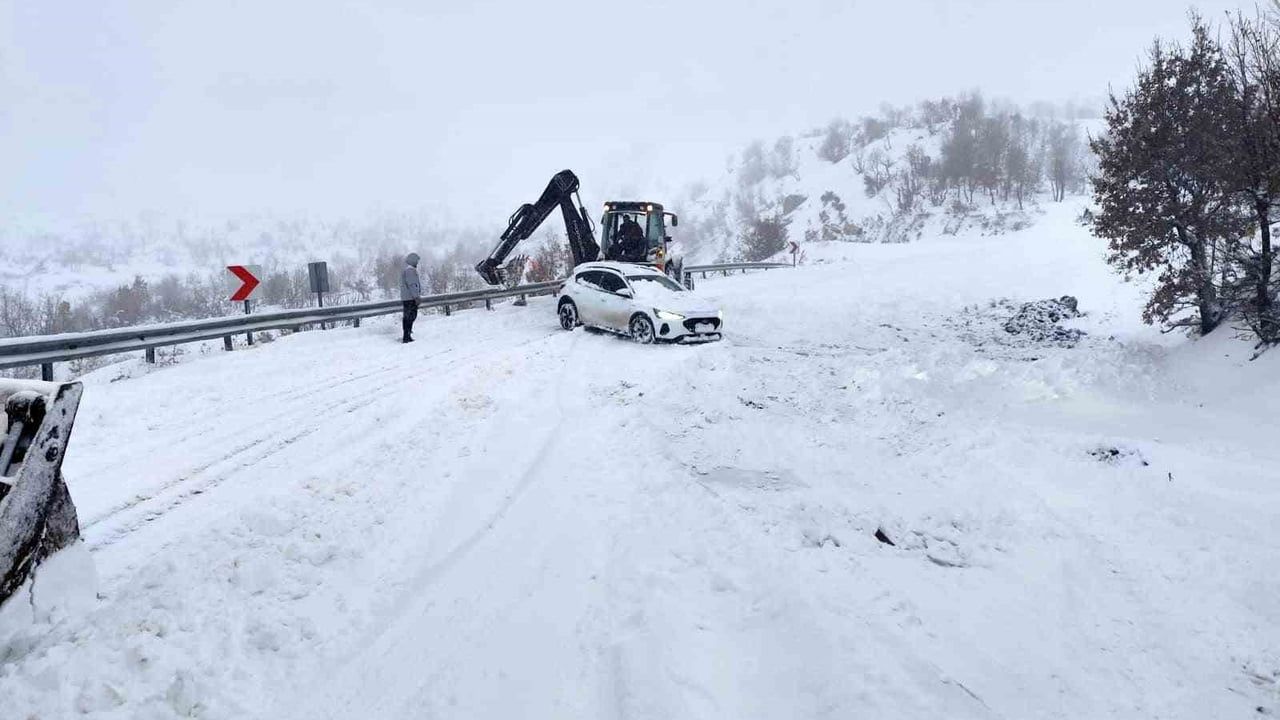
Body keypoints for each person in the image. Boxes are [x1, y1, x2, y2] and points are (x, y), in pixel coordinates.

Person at [400, 253, 422, 343]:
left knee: (408, 316)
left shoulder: (408, 270)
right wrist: (416, 297)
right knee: (410, 316)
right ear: (413, 261)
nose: (417, 262)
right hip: (410, 298)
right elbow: (413, 285)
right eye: (416, 260)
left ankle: (407, 334)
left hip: (407, 297)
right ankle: (406, 336)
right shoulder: (410, 271)